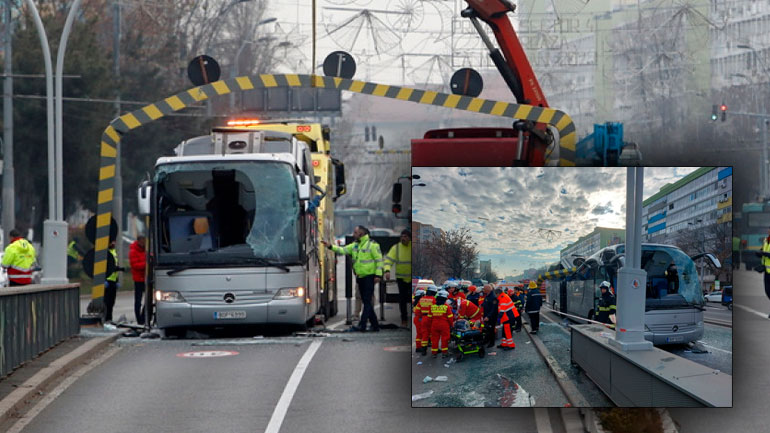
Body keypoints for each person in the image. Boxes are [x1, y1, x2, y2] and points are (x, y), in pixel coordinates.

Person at [324, 225, 382, 332]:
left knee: (367, 302)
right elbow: (342, 250)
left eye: (355, 232)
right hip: (360, 277)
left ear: (361, 233)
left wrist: (378, 275)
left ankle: (362, 324)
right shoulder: (355, 246)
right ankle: (375, 325)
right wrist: (330, 246)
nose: (353, 234)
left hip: (369, 277)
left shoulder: (372, 245)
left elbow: (379, 261)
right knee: (366, 301)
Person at [384, 228, 412, 327]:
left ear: (410, 238)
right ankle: (404, 320)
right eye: (402, 236)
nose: (403, 238)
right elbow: (388, 260)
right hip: (401, 278)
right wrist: (387, 270)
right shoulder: (396, 248)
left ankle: (413, 319)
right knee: (402, 300)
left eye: (405, 237)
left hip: (412, 279)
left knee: (413, 299)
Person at [129, 234, 147, 326]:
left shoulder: (146, 251)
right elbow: (135, 265)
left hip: (146, 278)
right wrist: (146, 264)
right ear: (139, 241)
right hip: (138, 279)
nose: (144, 243)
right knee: (138, 300)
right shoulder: (133, 251)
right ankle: (139, 319)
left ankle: (144, 317)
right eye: (143, 241)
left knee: (148, 299)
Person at [429, 289, 453, 358]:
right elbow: (450, 318)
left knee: (434, 339)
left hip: (434, 325)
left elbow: (429, 318)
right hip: (444, 326)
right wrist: (452, 325)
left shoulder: (432, 306)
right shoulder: (446, 307)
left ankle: (434, 353)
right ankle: (444, 353)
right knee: (445, 339)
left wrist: (431, 325)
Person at [418, 285, 438, 355]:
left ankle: (424, 349)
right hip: (431, 318)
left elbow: (417, 310)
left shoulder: (421, 299)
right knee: (433, 334)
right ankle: (434, 349)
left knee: (425, 334)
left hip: (423, 318)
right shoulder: (434, 300)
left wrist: (420, 317)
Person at [758, 227, 770, 318]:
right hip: (767, 270)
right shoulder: (766, 240)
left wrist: (766, 254)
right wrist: (760, 252)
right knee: (767, 291)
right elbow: (763, 250)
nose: (768, 231)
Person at [481, 284, 498, 348]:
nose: (483, 290)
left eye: (484, 289)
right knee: (487, 329)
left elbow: (494, 309)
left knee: (491, 330)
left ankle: (492, 342)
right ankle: (487, 340)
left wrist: (488, 316)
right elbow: (485, 302)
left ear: (488, 289)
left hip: (491, 317)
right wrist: (481, 305)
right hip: (486, 315)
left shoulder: (493, 297)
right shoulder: (487, 295)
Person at [412, 289, 426, 354]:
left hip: (417, 319)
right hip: (419, 318)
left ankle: (419, 346)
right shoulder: (420, 302)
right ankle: (419, 347)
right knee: (421, 333)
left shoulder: (416, 302)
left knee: (420, 333)